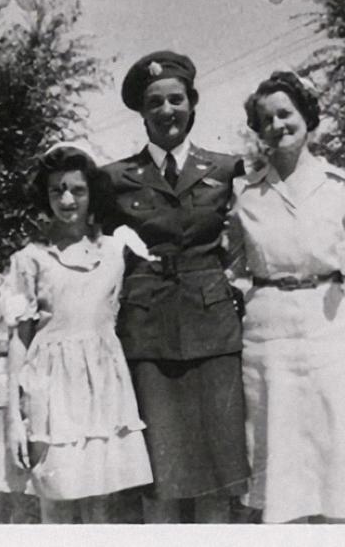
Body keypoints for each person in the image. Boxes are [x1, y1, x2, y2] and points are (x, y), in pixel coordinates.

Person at [229, 71, 345, 523]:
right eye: (265, 119)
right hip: (268, 336)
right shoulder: (244, 194)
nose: (277, 125)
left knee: (339, 447)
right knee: (277, 450)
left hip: (331, 327)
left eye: (285, 113)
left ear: (307, 117)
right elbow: (232, 268)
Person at [99, 51, 249, 523]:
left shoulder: (226, 170)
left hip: (213, 332)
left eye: (176, 99)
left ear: (193, 103)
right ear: (142, 113)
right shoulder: (115, 179)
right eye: (155, 102)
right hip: (148, 335)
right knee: (158, 476)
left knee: (217, 471)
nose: (167, 111)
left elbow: (247, 240)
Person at [2, 142, 153, 523]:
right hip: (51, 395)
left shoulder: (117, 251)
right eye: (57, 190)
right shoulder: (30, 258)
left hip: (103, 390)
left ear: (92, 193)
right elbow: (19, 341)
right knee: (56, 500)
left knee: (101, 506)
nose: (67, 199)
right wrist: (13, 418)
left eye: (77, 190)